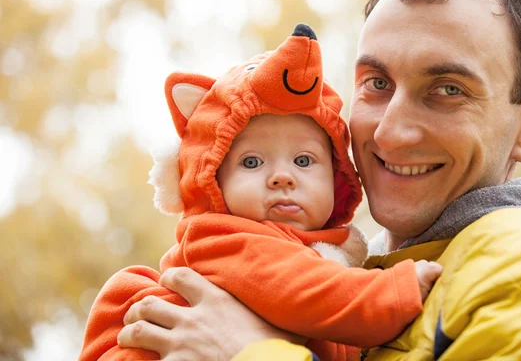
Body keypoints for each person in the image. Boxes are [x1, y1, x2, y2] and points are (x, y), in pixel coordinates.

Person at [115, 0, 521, 359]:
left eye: (447, 90)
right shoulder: (359, 269)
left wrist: (250, 352)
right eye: (378, 83)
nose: (389, 130)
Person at [79, 23, 443, 361]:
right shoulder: (224, 238)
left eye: (304, 160)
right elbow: (305, 292)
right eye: (252, 163)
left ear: (337, 177)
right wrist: (397, 290)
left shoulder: (325, 252)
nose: (281, 177)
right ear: (214, 184)